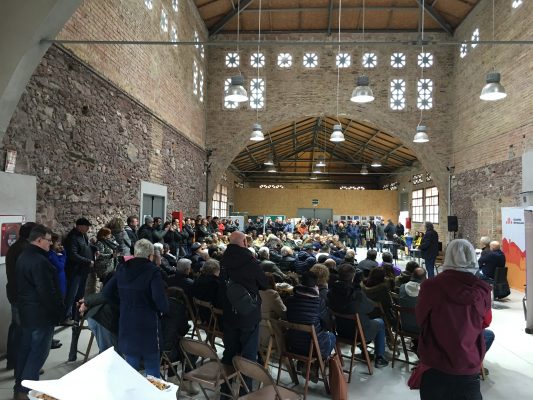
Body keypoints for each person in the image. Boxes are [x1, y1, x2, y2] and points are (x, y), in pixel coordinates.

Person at [416, 239, 492, 400]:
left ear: (448, 256)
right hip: (467, 362)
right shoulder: (482, 289)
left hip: (436, 361)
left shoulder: (431, 286)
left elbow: (421, 318)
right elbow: (486, 321)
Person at [103, 239, 168, 377]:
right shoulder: (153, 270)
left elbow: (106, 293)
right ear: (150, 255)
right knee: (152, 369)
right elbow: (160, 300)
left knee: (130, 369)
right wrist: (163, 309)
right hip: (148, 323)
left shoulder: (122, 268)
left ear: (135, 253)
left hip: (127, 320)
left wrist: (121, 305)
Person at [14, 225, 64, 400]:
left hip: (27, 313)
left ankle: (19, 388)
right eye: (48, 240)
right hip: (41, 315)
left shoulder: (24, 256)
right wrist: (58, 312)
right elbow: (47, 292)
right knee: (37, 355)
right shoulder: (39, 261)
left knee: (25, 352)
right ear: (39, 240)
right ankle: (26, 392)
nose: (50, 243)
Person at [220, 231, 268, 395]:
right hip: (248, 313)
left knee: (229, 352)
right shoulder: (250, 261)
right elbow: (264, 283)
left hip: (229, 312)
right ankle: (245, 393)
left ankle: (225, 391)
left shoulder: (223, 260)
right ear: (245, 243)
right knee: (248, 355)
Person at [328, 264, 389, 368]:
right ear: (353, 277)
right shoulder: (356, 293)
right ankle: (380, 357)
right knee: (380, 322)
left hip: (340, 331)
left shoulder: (331, 291)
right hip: (359, 332)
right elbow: (370, 308)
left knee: (363, 321)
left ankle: (365, 351)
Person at [285, 271, 336, 381]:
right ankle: (316, 365)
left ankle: (304, 363)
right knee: (332, 336)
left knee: (310, 336)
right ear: (316, 284)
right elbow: (327, 324)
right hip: (314, 349)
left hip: (292, 345)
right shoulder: (318, 302)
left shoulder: (290, 300)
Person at [5, 222, 37, 371]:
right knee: (23, 331)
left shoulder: (16, 247)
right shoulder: (25, 250)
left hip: (15, 293)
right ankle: (20, 365)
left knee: (16, 328)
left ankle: (12, 361)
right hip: (22, 295)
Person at [64, 217, 95, 324]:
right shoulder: (72, 237)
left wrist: (94, 249)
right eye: (86, 227)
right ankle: (66, 316)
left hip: (83, 270)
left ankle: (76, 314)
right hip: (75, 270)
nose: (88, 229)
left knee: (80, 294)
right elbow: (73, 255)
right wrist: (88, 261)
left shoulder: (83, 235)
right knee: (72, 294)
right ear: (79, 226)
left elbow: (86, 246)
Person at [398, 267, 427, 334]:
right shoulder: (426, 291)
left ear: (412, 275)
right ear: (424, 278)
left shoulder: (402, 287)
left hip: (405, 326)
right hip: (422, 329)